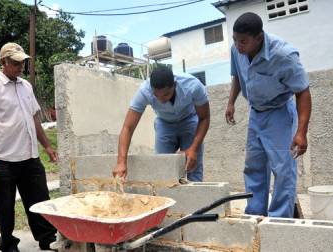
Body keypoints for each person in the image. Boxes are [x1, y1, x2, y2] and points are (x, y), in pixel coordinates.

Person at [225, 12, 312, 218]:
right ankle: (255, 215)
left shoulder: (284, 55)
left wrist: (301, 131)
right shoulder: (237, 49)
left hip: (279, 113)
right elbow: (237, 75)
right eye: (235, 40)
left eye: (243, 42)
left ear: (259, 37)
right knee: (253, 166)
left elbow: (303, 92)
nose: (238, 46)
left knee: (283, 170)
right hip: (256, 114)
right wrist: (231, 102)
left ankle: (280, 220)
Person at [0, 42, 57, 252]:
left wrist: (46, 146)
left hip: (30, 156)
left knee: (40, 201)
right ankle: (8, 243)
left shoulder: (26, 86)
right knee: (4, 206)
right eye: (15, 62)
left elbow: (34, 119)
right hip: (3, 159)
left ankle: (47, 239)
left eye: (23, 62)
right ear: (3, 62)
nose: (20, 66)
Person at [112, 66, 210, 182]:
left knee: (192, 167)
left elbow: (204, 118)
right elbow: (128, 128)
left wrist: (193, 148)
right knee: (162, 169)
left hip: (189, 121)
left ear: (174, 85)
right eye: (156, 95)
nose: (161, 100)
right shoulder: (144, 91)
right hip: (165, 123)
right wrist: (121, 162)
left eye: (166, 94)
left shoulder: (193, 86)